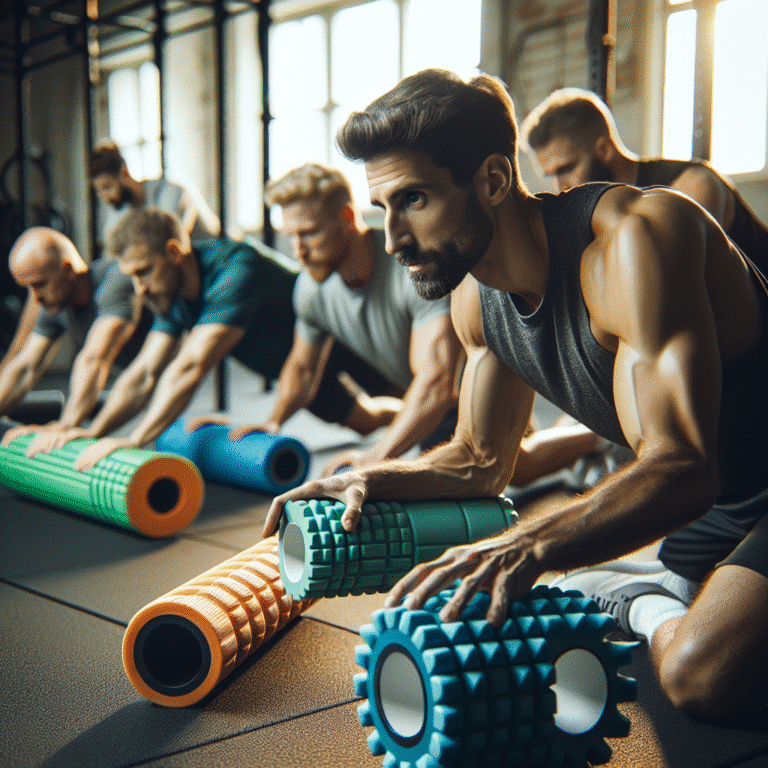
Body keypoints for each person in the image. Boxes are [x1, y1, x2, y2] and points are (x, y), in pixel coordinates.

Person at [263, 69, 768, 723]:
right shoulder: (476, 297)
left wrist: (526, 544)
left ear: (495, 180)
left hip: (722, 490)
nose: (392, 240)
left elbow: (680, 466)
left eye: (412, 200)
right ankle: (658, 582)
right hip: (723, 507)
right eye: (381, 208)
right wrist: (369, 477)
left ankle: (649, 596)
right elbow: (480, 458)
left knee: (699, 674)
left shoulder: (632, 241)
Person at [27, 207, 402, 467]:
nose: (139, 289)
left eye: (143, 272)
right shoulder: (171, 295)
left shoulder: (236, 267)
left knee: (425, 409)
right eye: (132, 277)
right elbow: (144, 373)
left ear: (174, 253)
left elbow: (191, 366)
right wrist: (91, 432)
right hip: (294, 370)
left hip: (345, 341)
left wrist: (136, 439)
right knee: (365, 420)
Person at [226, 162, 461, 475]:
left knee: (510, 469)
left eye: (308, 233)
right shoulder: (311, 288)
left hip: (478, 393)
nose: (298, 251)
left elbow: (438, 382)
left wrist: (374, 456)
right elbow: (303, 368)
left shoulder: (412, 270)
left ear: (348, 218)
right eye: (291, 236)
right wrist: (273, 422)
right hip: (433, 404)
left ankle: (552, 439)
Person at [520, 87, 768, 275]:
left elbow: (670, 282)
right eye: (551, 175)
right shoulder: (599, 215)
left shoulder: (691, 185)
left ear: (604, 149)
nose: (560, 187)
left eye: (566, 169)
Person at [0, 227, 152, 446]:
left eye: (39, 284)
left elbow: (95, 358)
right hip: (144, 382)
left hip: (192, 378)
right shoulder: (55, 302)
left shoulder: (115, 280)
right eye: (28, 288)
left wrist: (66, 426)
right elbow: (25, 367)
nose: (35, 298)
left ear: (68, 269)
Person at [90, 141, 221, 248]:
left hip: (215, 256)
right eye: (99, 191)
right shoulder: (122, 209)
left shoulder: (171, 191)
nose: (103, 196)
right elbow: (112, 246)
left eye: (107, 187)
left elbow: (165, 241)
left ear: (125, 173)